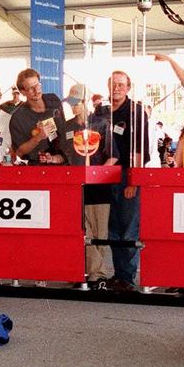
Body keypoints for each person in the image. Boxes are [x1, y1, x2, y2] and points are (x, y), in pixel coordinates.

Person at [100, 70, 151, 291]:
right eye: (114, 84)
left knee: (128, 228)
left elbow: (141, 150)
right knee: (112, 228)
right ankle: (118, 275)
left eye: (121, 84)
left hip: (127, 176)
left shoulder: (136, 112)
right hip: (105, 177)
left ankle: (128, 278)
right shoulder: (101, 112)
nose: (117, 88)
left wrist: (134, 180)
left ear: (128, 88)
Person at [67, 87, 112, 286]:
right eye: (71, 102)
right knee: (84, 231)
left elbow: (113, 154)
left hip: (99, 187)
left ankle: (97, 273)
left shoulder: (102, 124)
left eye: (76, 102)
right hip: (75, 186)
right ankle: (94, 272)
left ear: (86, 102)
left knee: (100, 232)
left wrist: (101, 174)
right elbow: (62, 153)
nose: (73, 106)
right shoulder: (66, 127)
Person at [8, 69, 69, 164]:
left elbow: (64, 130)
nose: (36, 91)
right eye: (31, 88)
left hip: (60, 163)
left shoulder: (54, 100)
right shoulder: (18, 117)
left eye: (37, 85)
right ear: (22, 92)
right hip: (34, 168)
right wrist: (38, 137)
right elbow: (19, 152)